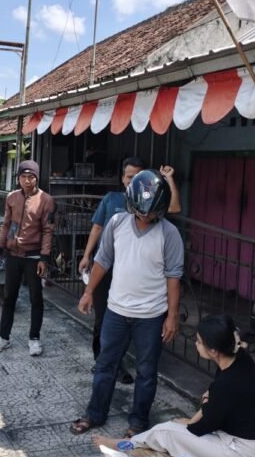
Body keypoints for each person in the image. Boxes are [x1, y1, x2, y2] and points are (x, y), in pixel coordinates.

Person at [71, 169, 184, 438]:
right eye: (141, 212)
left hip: (151, 316)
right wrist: (88, 292)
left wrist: (172, 316)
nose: (145, 217)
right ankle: (94, 414)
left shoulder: (169, 233)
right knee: (105, 365)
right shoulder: (117, 223)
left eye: (151, 213)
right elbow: (103, 260)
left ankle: (138, 422)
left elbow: (174, 277)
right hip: (116, 312)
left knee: (146, 371)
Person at [91, 314, 255, 457]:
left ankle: (125, 444)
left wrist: (195, 416)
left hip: (246, 456)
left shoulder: (228, 382)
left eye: (199, 342)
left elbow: (200, 428)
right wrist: (197, 413)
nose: (196, 344)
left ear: (213, 351)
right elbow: (213, 396)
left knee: (166, 432)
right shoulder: (239, 358)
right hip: (254, 441)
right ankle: (133, 442)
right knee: (179, 425)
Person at [0, 160, 56, 357]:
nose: (27, 180)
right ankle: (3, 337)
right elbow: (6, 225)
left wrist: (44, 257)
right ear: (18, 178)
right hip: (13, 255)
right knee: (9, 297)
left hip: (33, 256)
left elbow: (48, 231)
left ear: (36, 178)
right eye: (23, 177)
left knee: (36, 298)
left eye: (31, 177)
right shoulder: (12, 198)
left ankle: (34, 338)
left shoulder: (46, 200)